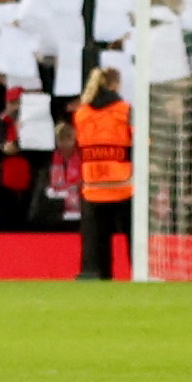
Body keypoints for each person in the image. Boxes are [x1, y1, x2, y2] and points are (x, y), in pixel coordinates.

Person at [71, 59, 136, 285]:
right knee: (133, 233)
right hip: (123, 182)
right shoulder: (125, 110)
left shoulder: (81, 113)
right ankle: (139, 271)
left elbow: (80, 143)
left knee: (94, 237)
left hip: (93, 183)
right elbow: (138, 140)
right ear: (115, 85)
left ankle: (93, 273)